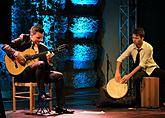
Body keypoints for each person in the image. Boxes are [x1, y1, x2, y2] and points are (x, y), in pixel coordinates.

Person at [2, 24, 74, 114]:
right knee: (40, 64)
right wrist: (16, 53)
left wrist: (49, 60)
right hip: (23, 73)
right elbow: (5, 46)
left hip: (38, 75)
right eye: (38, 38)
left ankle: (60, 107)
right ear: (31, 35)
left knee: (59, 76)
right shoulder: (23, 38)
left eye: (42, 38)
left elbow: (46, 68)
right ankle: (42, 94)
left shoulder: (43, 48)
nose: (40, 40)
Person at [115, 27, 165, 107]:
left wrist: (129, 75)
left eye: (137, 38)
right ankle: (138, 102)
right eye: (133, 38)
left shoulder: (148, 47)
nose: (134, 40)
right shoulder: (132, 47)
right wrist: (117, 72)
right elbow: (120, 59)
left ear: (142, 38)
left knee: (163, 75)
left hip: (150, 68)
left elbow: (142, 64)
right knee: (136, 78)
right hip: (140, 69)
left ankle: (162, 100)